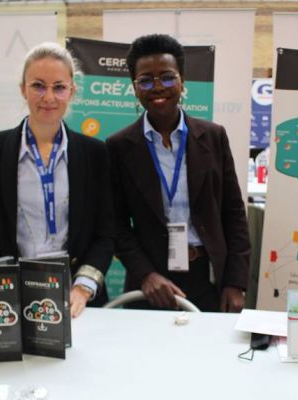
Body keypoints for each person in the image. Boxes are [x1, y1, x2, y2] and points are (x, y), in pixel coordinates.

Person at [106, 34, 250, 312]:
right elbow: (116, 224)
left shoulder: (213, 136)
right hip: (151, 284)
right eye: (146, 80)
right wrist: (145, 274)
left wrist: (235, 282)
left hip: (208, 278)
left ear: (182, 81)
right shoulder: (119, 146)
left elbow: (233, 212)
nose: (158, 87)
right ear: (134, 88)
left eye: (167, 77)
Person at [0, 42, 114, 318]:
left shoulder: (95, 154)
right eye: (38, 86)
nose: (49, 97)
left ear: (72, 91)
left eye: (59, 87)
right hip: (9, 298)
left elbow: (105, 233)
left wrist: (83, 287)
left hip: (76, 299)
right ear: (23, 89)